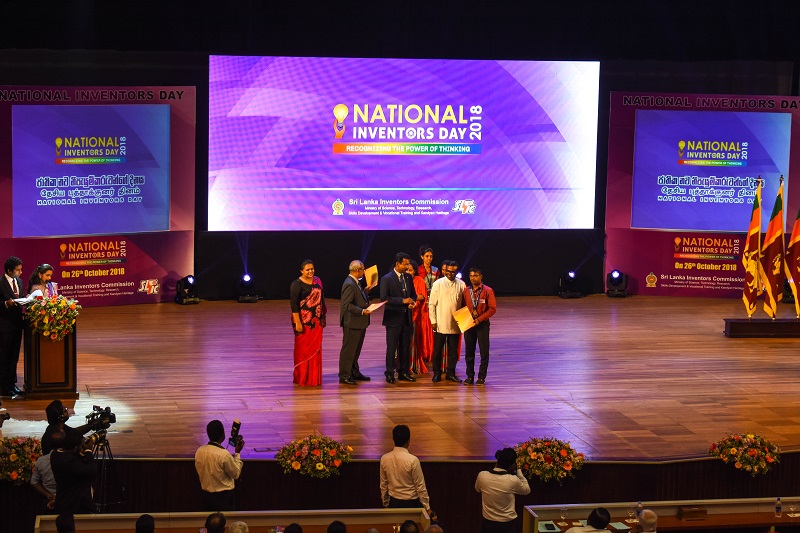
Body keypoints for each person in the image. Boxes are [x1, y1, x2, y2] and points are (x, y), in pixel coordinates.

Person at [379, 253, 417, 384]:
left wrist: (412, 302)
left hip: (407, 318)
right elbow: (384, 298)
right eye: (405, 264)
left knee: (405, 347)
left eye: (408, 264)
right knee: (392, 347)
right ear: (397, 264)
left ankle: (403, 372)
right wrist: (402, 301)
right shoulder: (387, 278)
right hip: (393, 319)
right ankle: (390, 373)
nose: (407, 267)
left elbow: (413, 295)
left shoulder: (408, 277)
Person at [474, 447, 531, 533]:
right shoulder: (512, 480)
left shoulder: (482, 475)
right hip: (508, 525)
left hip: (488, 523)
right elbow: (527, 490)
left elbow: (477, 489)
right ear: (512, 465)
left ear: (498, 460)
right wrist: (518, 471)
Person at [290, 259, 327, 386]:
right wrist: (298, 323)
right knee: (303, 349)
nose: (310, 271)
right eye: (307, 269)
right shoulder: (296, 284)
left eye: (312, 269)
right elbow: (294, 305)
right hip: (303, 321)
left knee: (316, 349)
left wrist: (323, 316)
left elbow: (322, 299)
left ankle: (314, 378)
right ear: (301, 271)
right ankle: (302, 377)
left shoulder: (317, 281)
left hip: (316, 321)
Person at [195, 419, 244, 511]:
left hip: (206, 497)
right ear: (223, 434)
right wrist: (237, 453)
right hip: (224, 499)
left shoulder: (199, 451)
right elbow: (236, 474)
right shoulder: (224, 454)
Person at [338, 260, 375, 384]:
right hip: (352, 322)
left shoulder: (355, 282)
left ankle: (354, 371)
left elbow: (356, 298)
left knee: (355, 349)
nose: (364, 271)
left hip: (359, 323)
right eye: (363, 269)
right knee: (349, 350)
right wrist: (362, 311)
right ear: (357, 270)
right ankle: (344, 375)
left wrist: (365, 292)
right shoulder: (349, 284)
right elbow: (347, 305)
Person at [429, 260, 465, 383]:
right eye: (448, 271)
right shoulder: (438, 284)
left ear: (456, 271)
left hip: (455, 323)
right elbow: (432, 304)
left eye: (453, 272)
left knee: (453, 351)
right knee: (438, 350)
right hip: (440, 322)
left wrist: (464, 322)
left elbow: (464, 304)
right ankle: (437, 373)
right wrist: (433, 320)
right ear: (445, 270)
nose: (450, 273)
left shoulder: (461, 284)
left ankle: (451, 373)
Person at [380, 424, 430, 511]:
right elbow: (420, 486)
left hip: (394, 503)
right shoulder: (413, 460)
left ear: (393, 439)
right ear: (408, 441)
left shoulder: (384, 458)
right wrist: (427, 508)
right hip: (412, 503)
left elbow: (383, 485)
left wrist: (386, 504)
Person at [462, 267, 497, 385]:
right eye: (471, 276)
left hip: (482, 324)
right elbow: (462, 307)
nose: (473, 278)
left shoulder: (488, 291)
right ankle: (470, 376)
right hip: (469, 324)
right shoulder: (466, 291)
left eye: (476, 275)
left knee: (484, 352)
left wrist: (479, 319)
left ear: (481, 277)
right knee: (469, 351)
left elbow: (492, 309)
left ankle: (481, 377)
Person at [50, 431, 95, 514]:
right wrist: (88, 450)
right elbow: (91, 470)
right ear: (76, 447)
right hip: (76, 506)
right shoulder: (70, 462)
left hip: (62, 502)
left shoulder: (55, 454)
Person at [0, 256, 24, 397]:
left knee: (14, 356)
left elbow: (20, 298)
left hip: (17, 324)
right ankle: (3, 386)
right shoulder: (1, 283)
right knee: (4, 356)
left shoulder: (19, 282)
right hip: (4, 326)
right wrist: (5, 304)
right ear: (9, 271)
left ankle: (12, 383)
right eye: (18, 270)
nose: (21, 272)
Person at [31, 430, 62, 513]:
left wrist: (47, 494)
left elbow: (34, 482)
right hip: (69, 502)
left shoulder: (41, 461)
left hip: (49, 500)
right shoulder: (71, 460)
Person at [408, 260, 429, 374]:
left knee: (413, 341)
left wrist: (411, 298)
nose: (408, 272)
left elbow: (422, 296)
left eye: (410, 270)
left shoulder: (419, 280)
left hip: (415, 315)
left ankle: (413, 365)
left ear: (415, 271)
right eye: (406, 270)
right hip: (402, 315)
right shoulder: (401, 280)